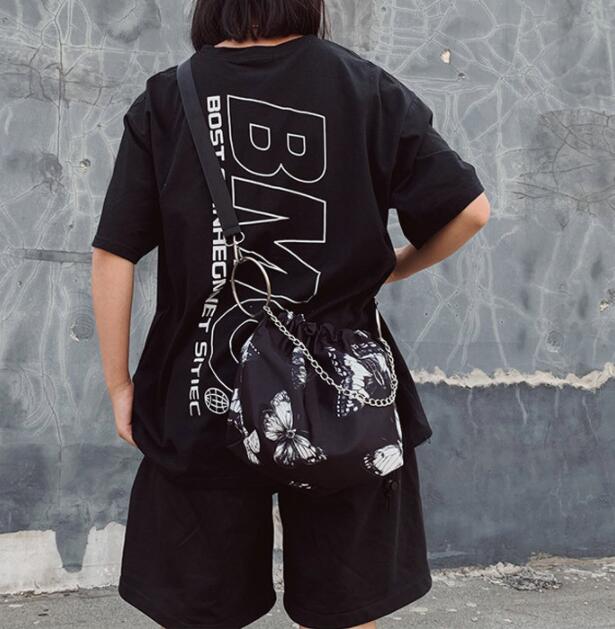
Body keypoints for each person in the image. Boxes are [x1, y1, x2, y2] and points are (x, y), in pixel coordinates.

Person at [90, 1, 490, 627]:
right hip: (341, 398)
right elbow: (470, 211)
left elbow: (114, 251)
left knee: (201, 610)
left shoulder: (169, 98)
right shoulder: (365, 87)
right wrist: (392, 268)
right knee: (347, 609)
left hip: (204, 391)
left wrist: (120, 385)